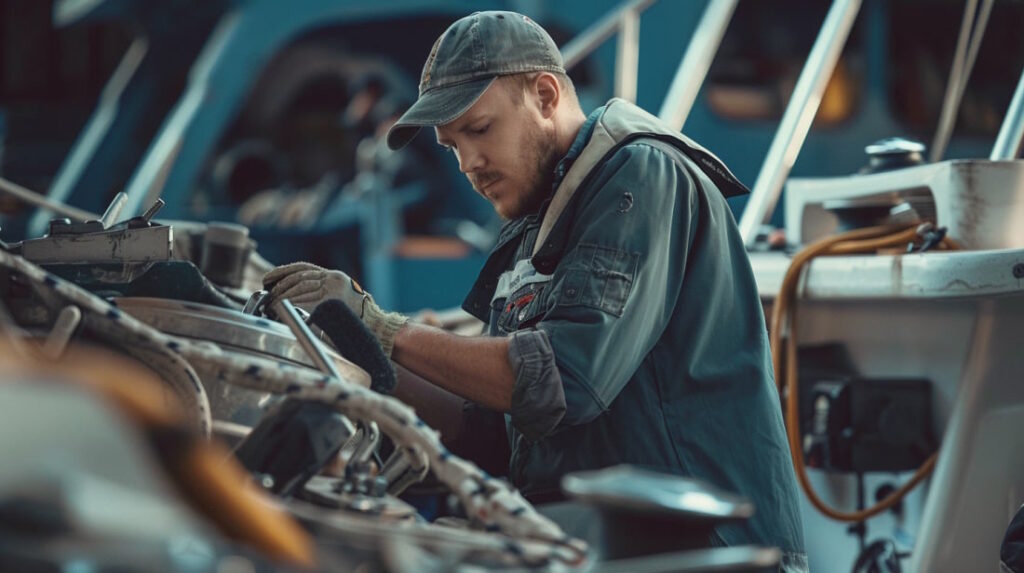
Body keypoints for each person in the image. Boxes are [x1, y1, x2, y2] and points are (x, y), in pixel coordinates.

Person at [263, 10, 806, 570]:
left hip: (701, 550)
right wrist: (346, 347)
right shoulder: (538, 223)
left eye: (478, 130)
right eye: (451, 146)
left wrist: (384, 326)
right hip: (599, 539)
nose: (468, 163)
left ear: (546, 95)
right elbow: (490, 427)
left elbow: (562, 381)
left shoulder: (641, 175)